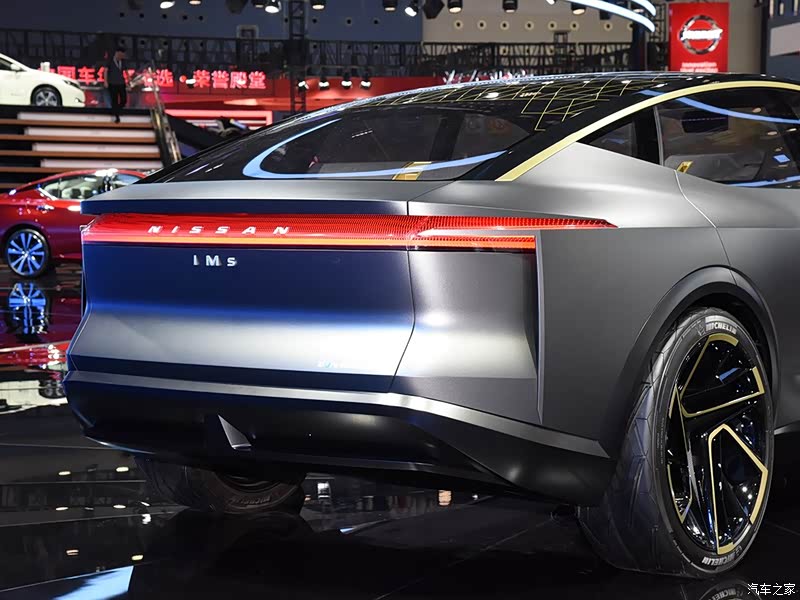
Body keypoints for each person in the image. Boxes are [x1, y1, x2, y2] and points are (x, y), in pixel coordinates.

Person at [106, 47, 127, 123]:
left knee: (124, 99)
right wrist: (105, 81)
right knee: (114, 100)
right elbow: (106, 70)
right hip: (112, 83)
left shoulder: (123, 62)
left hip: (121, 83)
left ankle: (117, 110)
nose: (122, 56)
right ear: (117, 53)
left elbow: (126, 71)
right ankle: (117, 116)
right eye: (121, 55)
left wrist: (129, 80)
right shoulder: (110, 60)